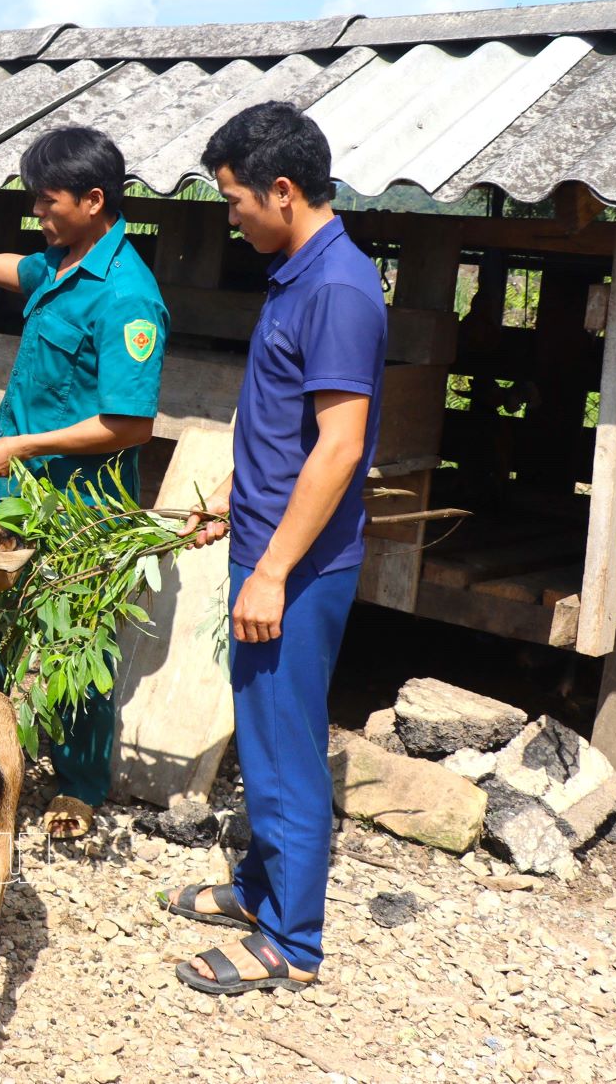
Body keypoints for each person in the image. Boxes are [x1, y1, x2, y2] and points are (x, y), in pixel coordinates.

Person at [164, 101, 386, 995]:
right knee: (263, 736)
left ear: (283, 191)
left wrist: (271, 567)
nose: (231, 216)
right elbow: (288, 423)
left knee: (286, 744)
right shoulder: (300, 269)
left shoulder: (337, 288)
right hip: (267, 540)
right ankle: (261, 887)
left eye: (234, 200)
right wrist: (231, 496)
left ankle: (290, 944)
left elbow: (339, 446)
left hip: (295, 567)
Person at [0, 124, 168, 838]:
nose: (38, 214)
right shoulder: (65, 259)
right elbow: (17, 269)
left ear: (93, 199)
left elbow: (130, 423)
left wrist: (24, 441)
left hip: (78, 504)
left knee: (78, 633)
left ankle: (79, 787)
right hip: (15, 490)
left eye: (47, 202)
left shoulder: (127, 297)